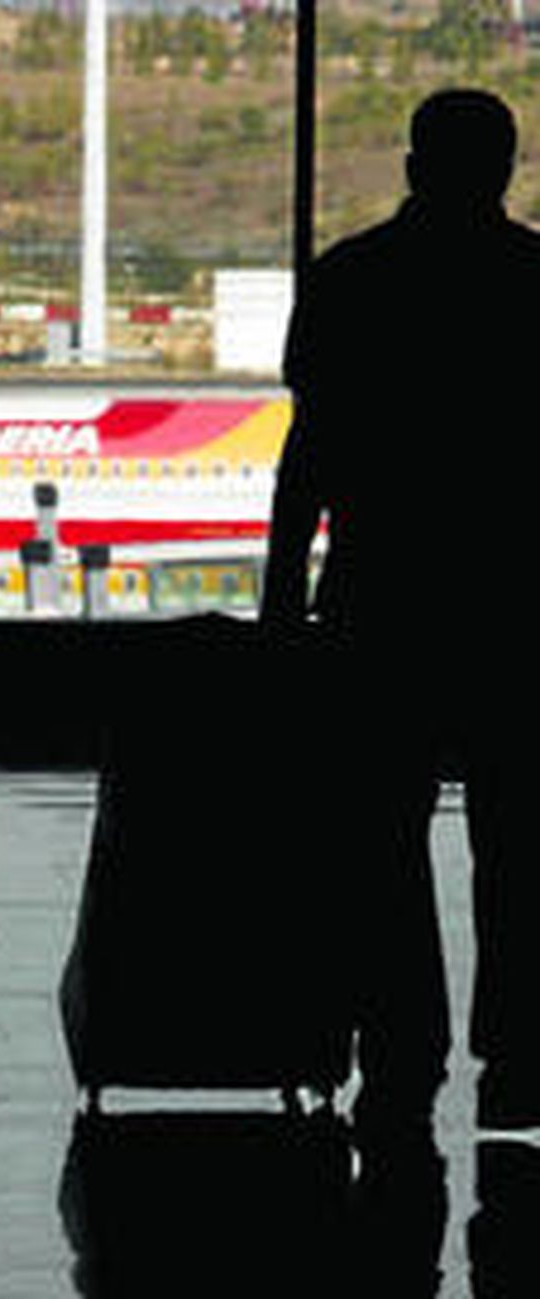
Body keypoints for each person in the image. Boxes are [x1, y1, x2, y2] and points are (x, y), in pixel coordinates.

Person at [262, 87, 540, 1130]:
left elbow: (308, 457)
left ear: (414, 165)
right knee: (518, 839)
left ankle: (400, 1045)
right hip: (514, 604)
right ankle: (518, 1048)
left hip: (381, 597)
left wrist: (281, 599)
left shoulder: (350, 280)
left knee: (379, 837)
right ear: (505, 168)